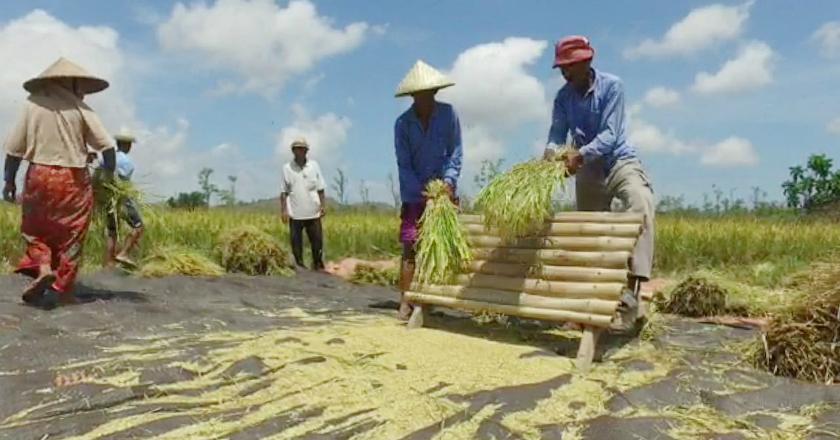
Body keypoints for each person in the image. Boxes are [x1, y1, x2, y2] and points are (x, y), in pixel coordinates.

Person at [543, 36, 655, 330]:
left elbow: (610, 135)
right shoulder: (562, 97)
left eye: (569, 66)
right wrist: (551, 154)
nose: (564, 73)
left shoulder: (612, 86)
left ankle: (632, 293)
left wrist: (579, 155)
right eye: (561, 68)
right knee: (589, 231)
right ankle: (584, 307)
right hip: (587, 168)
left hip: (617, 160)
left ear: (586, 62)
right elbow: (557, 134)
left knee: (639, 201)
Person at [2, 57, 116, 309]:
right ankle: (64, 292)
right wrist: (108, 177)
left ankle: (43, 268)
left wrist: (8, 181)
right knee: (72, 235)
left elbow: (13, 151)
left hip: (39, 175)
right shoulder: (80, 109)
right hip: (72, 180)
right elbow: (108, 147)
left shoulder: (33, 105)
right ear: (72, 83)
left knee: (35, 229)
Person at [393, 60, 463, 320]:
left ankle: (430, 299)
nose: (424, 99)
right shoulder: (403, 124)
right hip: (415, 195)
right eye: (418, 95)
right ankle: (406, 299)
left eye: (428, 94)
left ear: (434, 92)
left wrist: (448, 183)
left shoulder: (448, 115)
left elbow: (455, 151)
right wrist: (422, 191)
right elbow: (404, 164)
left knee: (439, 247)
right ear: (412, 96)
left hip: (443, 192)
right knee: (411, 246)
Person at [280, 138, 326, 271]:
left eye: (302, 148)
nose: (300, 151)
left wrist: (323, 205)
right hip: (295, 213)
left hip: (313, 211)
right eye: (297, 149)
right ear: (293, 151)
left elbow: (321, 188)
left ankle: (317, 265)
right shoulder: (287, 168)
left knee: (317, 242)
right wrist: (284, 210)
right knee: (296, 244)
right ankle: (300, 267)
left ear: (306, 151)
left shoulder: (314, 166)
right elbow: (284, 192)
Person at [104, 133, 144, 268]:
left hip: (108, 199)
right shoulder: (126, 162)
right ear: (126, 145)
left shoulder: (108, 159)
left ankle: (109, 263)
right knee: (138, 226)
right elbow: (122, 181)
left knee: (112, 231)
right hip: (122, 198)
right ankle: (124, 253)